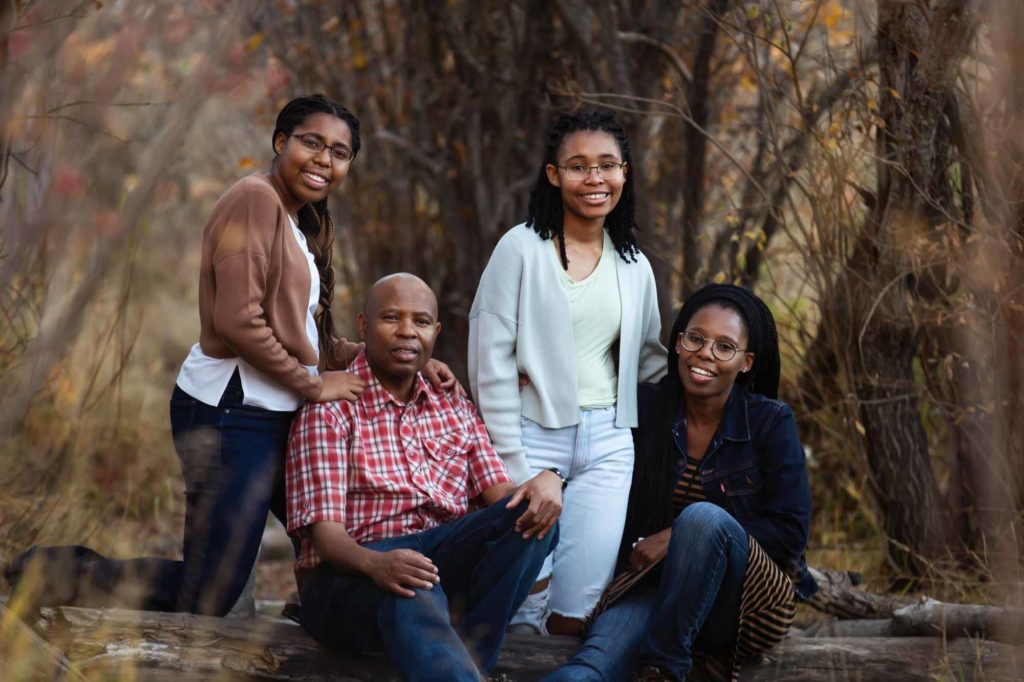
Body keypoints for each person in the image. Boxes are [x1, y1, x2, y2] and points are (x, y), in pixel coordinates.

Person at [4, 94, 459, 616]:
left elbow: (302, 334)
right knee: (211, 591)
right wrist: (313, 385)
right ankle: (49, 575)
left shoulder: (298, 222)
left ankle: (327, 622)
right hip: (230, 414)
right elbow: (237, 320)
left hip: (274, 415)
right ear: (280, 142)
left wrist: (404, 353)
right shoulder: (254, 198)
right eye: (311, 143)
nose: (323, 160)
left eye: (338, 152)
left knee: (344, 535)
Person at [287, 273, 559, 682]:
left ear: (436, 331)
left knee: (533, 517)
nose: (406, 332)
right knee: (412, 582)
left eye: (420, 321)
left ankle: (469, 658)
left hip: (433, 562)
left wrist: (548, 481)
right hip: (349, 577)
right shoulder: (331, 408)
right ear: (363, 325)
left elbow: (500, 498)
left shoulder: (449, 400)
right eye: (391, 318)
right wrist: (377, 565)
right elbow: (327, 541)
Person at [542, 283, 818, 682]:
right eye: (696, 338)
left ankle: (664, 669)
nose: (705, 353)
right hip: (651, 586)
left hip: (742, 603)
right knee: (586, 671)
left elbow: (790, 533)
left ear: (746, 362)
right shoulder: (645, 407)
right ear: (677, 344)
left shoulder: (770, 422)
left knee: (702, 519)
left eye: (725, 347)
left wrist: (675, 538)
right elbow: (579, 422)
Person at [468, 110, 666, 636]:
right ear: (554, 175)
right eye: (578, 167)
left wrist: (712, 370)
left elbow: (647, 359)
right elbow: (490, 364)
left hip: (609, 445)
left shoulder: (634, 265)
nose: (594, 179)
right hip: (532, 436)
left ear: (625, 172)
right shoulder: (521, 249)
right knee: (524, 597)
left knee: (576, 610)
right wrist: (511, 464)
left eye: (607, 166)